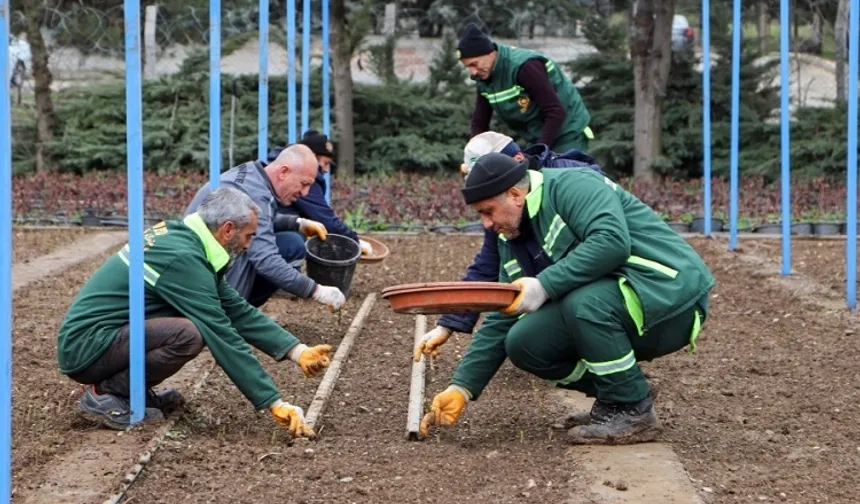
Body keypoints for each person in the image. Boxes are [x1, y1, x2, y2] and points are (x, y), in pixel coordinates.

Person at [418, 153, 715, 444]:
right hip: (626, 303)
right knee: (524, 342)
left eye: (487, 211)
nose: (486, 224)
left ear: (514, 194)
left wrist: (543, 285)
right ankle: (623, 394)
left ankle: (634, 411)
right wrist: (462, 387)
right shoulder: (512, 240)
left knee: (583, 303)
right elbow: (502, 314)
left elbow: (611, 242)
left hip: (672, 296)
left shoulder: (573, 186)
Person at [58, 187, 331, 436]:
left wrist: (297, 351)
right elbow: (221, 332)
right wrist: (274, 402)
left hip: (103, 338)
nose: (248, 245)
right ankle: (108, 392)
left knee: (187, 329)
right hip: (86, 347)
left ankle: (130, 390)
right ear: (227, 229)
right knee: (189, 334)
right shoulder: (183, 258)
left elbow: (234, 308)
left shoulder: (185, 239)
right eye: (248, 236)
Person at [414, 131, 603, 362]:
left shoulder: (570, 176)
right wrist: (447, 326)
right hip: (554, 285)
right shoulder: (499, 205)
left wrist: (545, 287)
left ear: (516, 161)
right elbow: (488, 265)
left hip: (602, 283)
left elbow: (604, 244)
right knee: (523, 335)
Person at [185, 144, 346, 310]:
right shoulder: (257, 195)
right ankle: (234, 314)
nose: (305, 193)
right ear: (283, 172)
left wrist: (297, 223)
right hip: (199, 270)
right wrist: (316, 291)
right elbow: (266, 259)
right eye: (304, 184)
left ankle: (241, 310)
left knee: (290, 242)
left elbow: (262, 219)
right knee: (266, 250)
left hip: (201, 258)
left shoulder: (253, 174)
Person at [457, 23, 593, 154]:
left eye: (474, 64)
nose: (473, 72)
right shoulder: (484, 78)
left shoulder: (524, 67)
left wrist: (540, 153)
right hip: (537, 135)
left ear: (489, 53)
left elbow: (555, 111)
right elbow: (480, 122)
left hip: (568, 132)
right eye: (468, 67)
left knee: (560, 174)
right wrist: (473, 154)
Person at [266, 130, 374, 256]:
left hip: (268, 229)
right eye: (325, 163)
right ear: (310, 157)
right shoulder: (302, 176)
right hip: (269, 236)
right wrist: (355, 241)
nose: (327, 170)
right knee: (295, 241)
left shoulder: (278, 166)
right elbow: (324, 219)